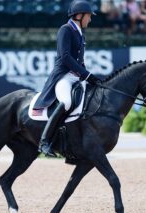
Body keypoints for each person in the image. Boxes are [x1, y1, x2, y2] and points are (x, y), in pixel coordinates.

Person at [33, 0, 101, 157]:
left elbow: (79, 60)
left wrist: (89, 77)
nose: (90, 20)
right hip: (64, 76)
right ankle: (44, 141)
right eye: (88, 16)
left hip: (76, 77)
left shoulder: (80, 32)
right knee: (67, 102)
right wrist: (87, 75)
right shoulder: (66, 29)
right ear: (79, 15)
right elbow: (65, 57)